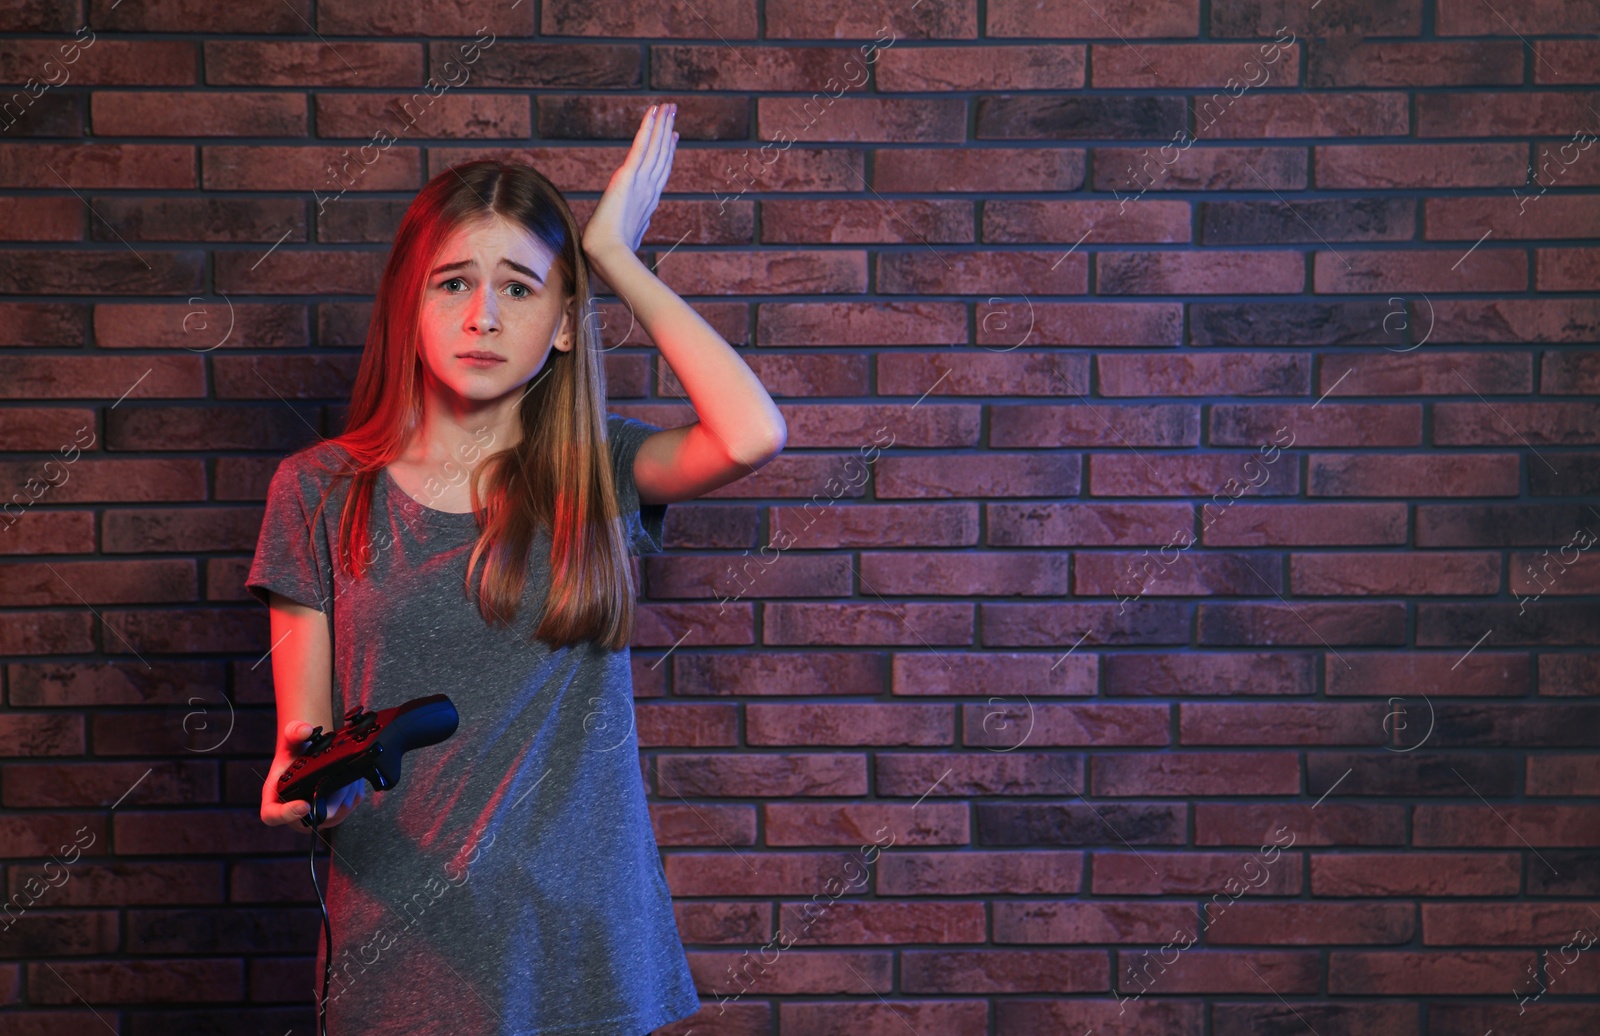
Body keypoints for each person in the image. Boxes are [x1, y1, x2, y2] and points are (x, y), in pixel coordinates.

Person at [246, 104, 786, 1035]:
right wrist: (302, 783)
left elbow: (753, 433)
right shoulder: (315, 491)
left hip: (582, 943)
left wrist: (613, 257)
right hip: (408, 947)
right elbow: (306, 731)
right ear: (411, 308)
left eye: (521, 289)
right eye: (452, 284)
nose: (483, 316)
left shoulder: (601, 470)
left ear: (565, 325)